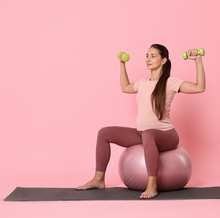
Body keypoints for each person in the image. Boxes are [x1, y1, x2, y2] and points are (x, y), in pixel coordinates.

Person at [76, 44, 206, 199]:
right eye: (147, 55)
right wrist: (122, 64)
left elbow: (200, 87)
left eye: (153, 56)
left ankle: (152, 185)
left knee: (149, 134)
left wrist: (197, 60)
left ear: (163, 60)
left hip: (167, 135)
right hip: (143, 133)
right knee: (104, 133)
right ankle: (98, 179)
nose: (148, 59)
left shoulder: (170, 82)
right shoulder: (143, 82)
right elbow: (125, 87)